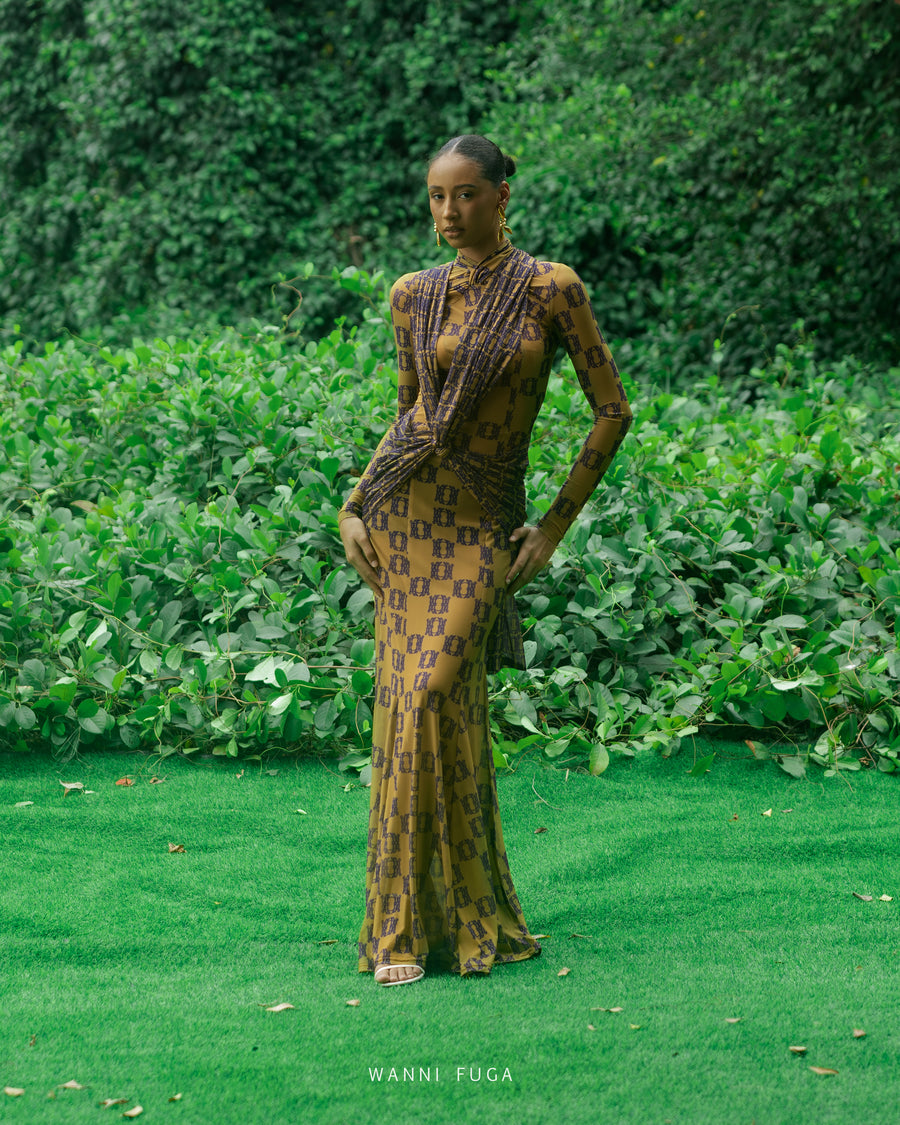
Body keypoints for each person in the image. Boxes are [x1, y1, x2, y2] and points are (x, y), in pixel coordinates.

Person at [338, 134, 632, 986]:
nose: (448, 211)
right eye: (436, 196)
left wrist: (553, 527)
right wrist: (353, 504)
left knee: (435, 692)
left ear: (503, 194)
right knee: (408, 706)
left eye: (464, 194)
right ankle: (404, 928)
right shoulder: (412, 295)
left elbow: (612, 410)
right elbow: (410, 414)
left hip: (481, 526)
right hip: (405, 515)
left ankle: (465, 912)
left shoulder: (552, 287)